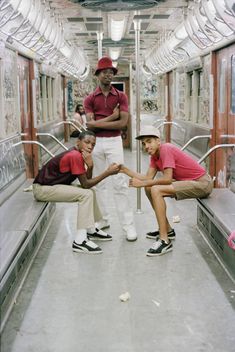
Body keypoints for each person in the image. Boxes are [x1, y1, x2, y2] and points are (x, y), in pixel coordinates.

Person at [120, 125, 213, 256]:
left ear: (158, 141)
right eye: (143, 143)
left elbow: (167, 179)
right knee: (149, 187)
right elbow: (147, 178)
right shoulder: (154, 156)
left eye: (149, 141)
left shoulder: (166, 149)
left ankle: (164, 240)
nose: (146, 146)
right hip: (190, 182)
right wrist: (125, 170)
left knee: (156, 190)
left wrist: (142, 183)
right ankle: (167, 229)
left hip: (203, 183)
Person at [32, 130, 121, 254]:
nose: (90, 147)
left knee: (91, 191)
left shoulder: (79, 154)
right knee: (86, 194)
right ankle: (79, 241)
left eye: (93, 144)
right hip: (42, 189)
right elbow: (85, 184)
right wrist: (107, 172)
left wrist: (90, 166)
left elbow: (88, 182)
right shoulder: (75, 156)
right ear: (78, 142)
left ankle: (90, 230)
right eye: (87, 142)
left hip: (52, 186)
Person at [83, 56, 137, 241]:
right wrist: (111, 118)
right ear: (97, 75)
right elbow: (90, 127)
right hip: (95, 143)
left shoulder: (121, 96)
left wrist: (100, 123)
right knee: (99, 183)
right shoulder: (90, 99)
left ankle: (128, 226)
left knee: (120, 182)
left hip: (114, 142)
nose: (108, 75)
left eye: (111, 72)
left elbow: (123, 123)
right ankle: (103, 220)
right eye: (105, 72)